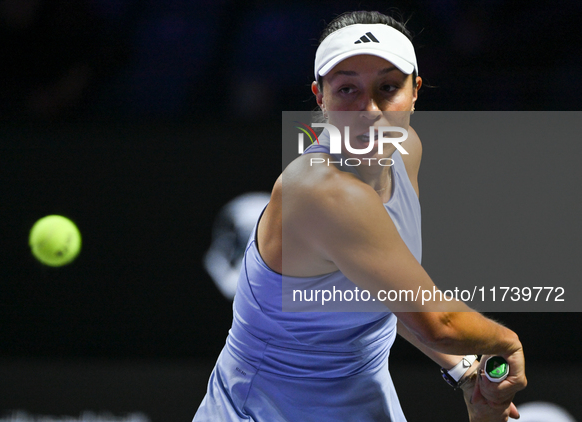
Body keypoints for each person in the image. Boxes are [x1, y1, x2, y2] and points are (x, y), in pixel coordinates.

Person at [194, 10, 526, 422]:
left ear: (416, 91)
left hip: (363, 399)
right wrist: (506, 342)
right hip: (262, 413)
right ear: (320, 97)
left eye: (388, 87)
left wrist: (464, 370)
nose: (369, 109)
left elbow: (391, 295)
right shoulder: (322, 193)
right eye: (348, 89)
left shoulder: (406, 153)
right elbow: (439, 322)